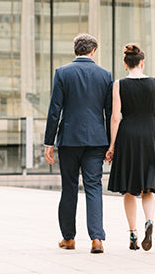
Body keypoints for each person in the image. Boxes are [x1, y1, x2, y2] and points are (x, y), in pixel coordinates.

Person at [43, 33, 113, 254]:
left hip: (69, 140)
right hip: (96, 140)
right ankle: (97, 239)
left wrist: (48, 142)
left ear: (76, 50)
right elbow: (110, 112)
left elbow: (55, 110)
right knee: (94, 187)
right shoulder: (105, 75)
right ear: (93, 51)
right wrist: (111, 144)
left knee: (69, 187)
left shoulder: (62, 73)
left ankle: (69, 238)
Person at [105, 43, 155, 251]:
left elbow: (115, 117)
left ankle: (133, 234)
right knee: (148, 187)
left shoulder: (118, 84)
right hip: (151, 135)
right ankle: (149, 221)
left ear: (126, 64)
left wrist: (111, 145)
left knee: (128, 189)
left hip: (128, 137)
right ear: (142, 63)